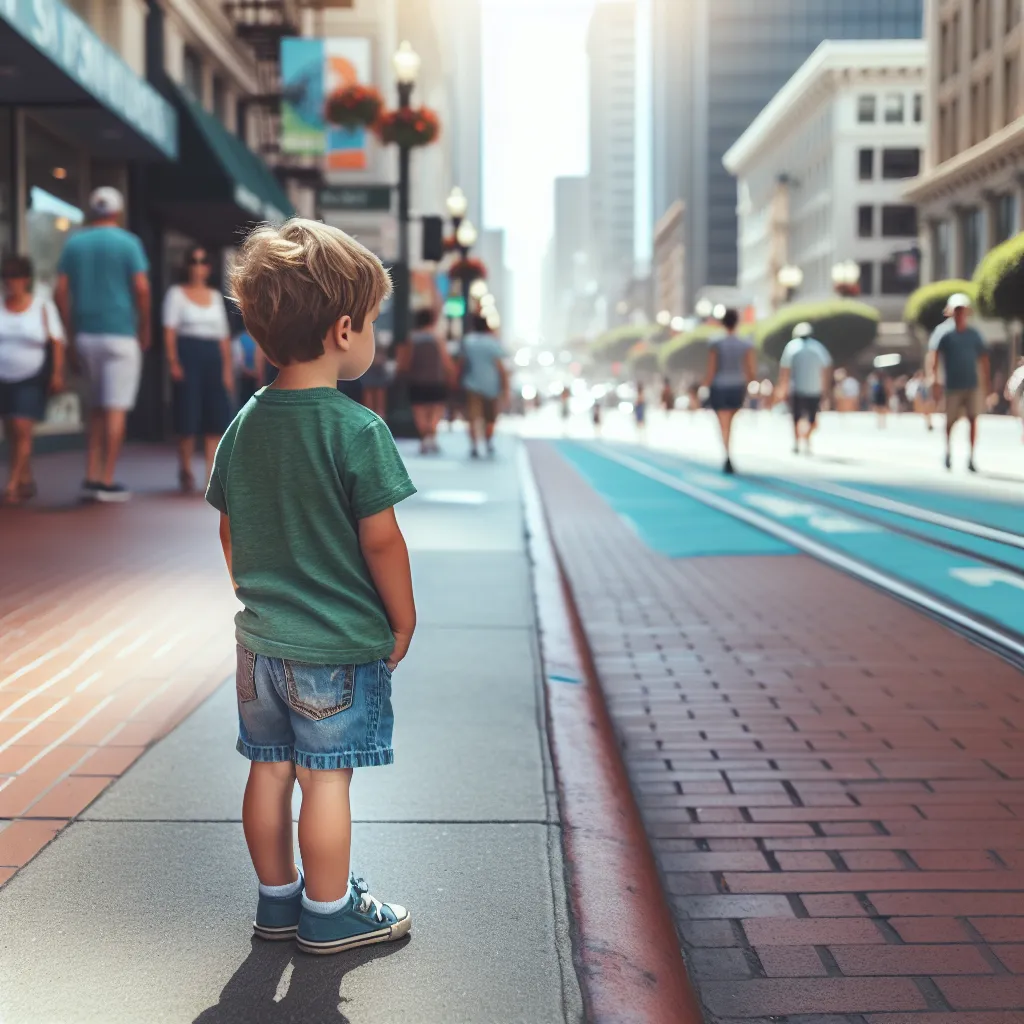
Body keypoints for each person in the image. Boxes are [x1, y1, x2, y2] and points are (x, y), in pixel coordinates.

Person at [210, 218, 415, 955]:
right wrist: (402, 617)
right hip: (333, 647)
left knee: (269, 770)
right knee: (325, 778)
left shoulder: (243, 424)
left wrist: (257, 594)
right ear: (343, 329)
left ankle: (278, 903)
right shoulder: (357, 429)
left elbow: (230, 528)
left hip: (259, 647)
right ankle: (330, 912)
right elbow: (382, 539)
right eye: (372, 327)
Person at [54, 186, 150, 502]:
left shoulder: (75, 243)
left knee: (95, 407)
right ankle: (106, 479)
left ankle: (91, 475)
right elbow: (141, 288)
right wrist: (144, 327)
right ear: (117, 212)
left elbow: (60, 290)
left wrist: (68, 331)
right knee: (115, 408)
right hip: (121, 333)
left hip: (85, 334)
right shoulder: (129, 243)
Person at [163, 247, 233, 492]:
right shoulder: (176, 294)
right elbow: (169, 330)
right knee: (187, 411)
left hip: (212, 355)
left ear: (209, 268)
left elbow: (223, 336)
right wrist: (173, 361)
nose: (198, 266)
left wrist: (226, 369)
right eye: (194, 261)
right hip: (188, 352)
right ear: (187, 265)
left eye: (203, 261)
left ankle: (210, 472)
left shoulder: (215, 296)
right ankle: (185, 468)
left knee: (215, 413)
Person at [0, 256, 66, 504]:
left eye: (16, 278)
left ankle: (12, 483)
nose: (11, 283)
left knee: (21, 426)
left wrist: (57, 373)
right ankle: (26, 476)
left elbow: (57, 341)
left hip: (31, 374)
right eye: (6, 278)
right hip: (3, 375)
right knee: (10, 429)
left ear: (26, 280)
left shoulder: (42, 306)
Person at [926, 292, 989, 472]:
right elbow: (934, 357)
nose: (960, 314)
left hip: (972, 384)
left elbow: (984, 359)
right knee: (950, 421)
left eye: (962, 310)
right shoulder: (943, 333)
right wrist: (934, 380)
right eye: (957, 310)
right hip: (952, 385)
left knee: (973, 420)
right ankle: (948, 452)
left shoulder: (974, 334)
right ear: (951, 312)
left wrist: (986, 384)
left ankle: (971, 457)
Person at [702, 308, 756, 474]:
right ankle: (728, 453)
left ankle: (727, 454)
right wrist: (751, 385)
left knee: (723, 423)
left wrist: (705, 386)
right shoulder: (745, 343)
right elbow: (750, 370)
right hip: (737, 386)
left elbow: (711, 369)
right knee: (730, 422)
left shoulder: (716, 343)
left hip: (720, 386)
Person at [396, 307, 451, 454]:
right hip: (436, 380)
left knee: (419, 411)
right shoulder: (438, 338)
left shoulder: (413, 338)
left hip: (417, 380)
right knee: (436, 410)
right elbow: (446, 361)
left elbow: (406, 360)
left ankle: (424, 439)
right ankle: (431, 437)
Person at [777, 321, 832, 455]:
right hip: (814, 389)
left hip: (797, 388)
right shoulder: (819, 348)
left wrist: (782, 389)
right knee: (812, 418)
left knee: (796, 417)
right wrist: (825, 390)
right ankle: (805, 439)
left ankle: (798, 441)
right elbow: (827, 369)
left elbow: (784, 371)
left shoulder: (791, 347)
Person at [460, 315, 508, 458]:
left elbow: (461, 364)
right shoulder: (492, 343)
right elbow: (500, 367)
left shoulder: (468, 342)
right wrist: (505, 387)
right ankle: (488, 442)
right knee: (490, 417)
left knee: (473, 418)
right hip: (491, 386)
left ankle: (474, 445)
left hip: (471, 385)